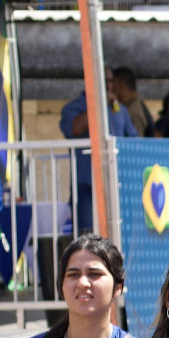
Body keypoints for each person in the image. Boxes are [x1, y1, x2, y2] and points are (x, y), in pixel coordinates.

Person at [59, 73, 138, 229]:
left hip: (117, 184)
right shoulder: (74, 107)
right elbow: (74, 129)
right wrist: (98, 105)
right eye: (103, 80)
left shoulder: (119, 109)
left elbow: (133, 139)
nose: (108, 85)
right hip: (87, 185)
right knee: (87, 235)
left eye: (111, 81)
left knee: (119, 232)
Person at [110, 68, 152, 141]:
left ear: (121, 86)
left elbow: (137, 143)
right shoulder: (134, 106)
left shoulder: (133, 110)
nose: (110, 89)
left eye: (112, 85)